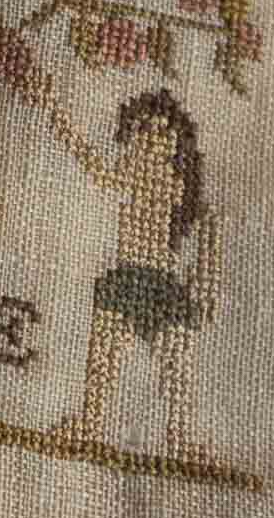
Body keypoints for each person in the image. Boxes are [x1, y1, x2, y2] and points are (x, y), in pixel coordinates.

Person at [24, 74, 221, 465]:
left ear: (174, 143)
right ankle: (91, 423)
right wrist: (54, 111)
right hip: (128, 278)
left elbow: (206, 230)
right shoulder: (136, 172)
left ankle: (180, 438)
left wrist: (206, 283)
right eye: (143, 130)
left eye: (159, 132)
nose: (148, 138)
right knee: (103, 361)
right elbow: (94, 166)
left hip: (164, 287)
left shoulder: (175, 185)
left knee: (175, 372)